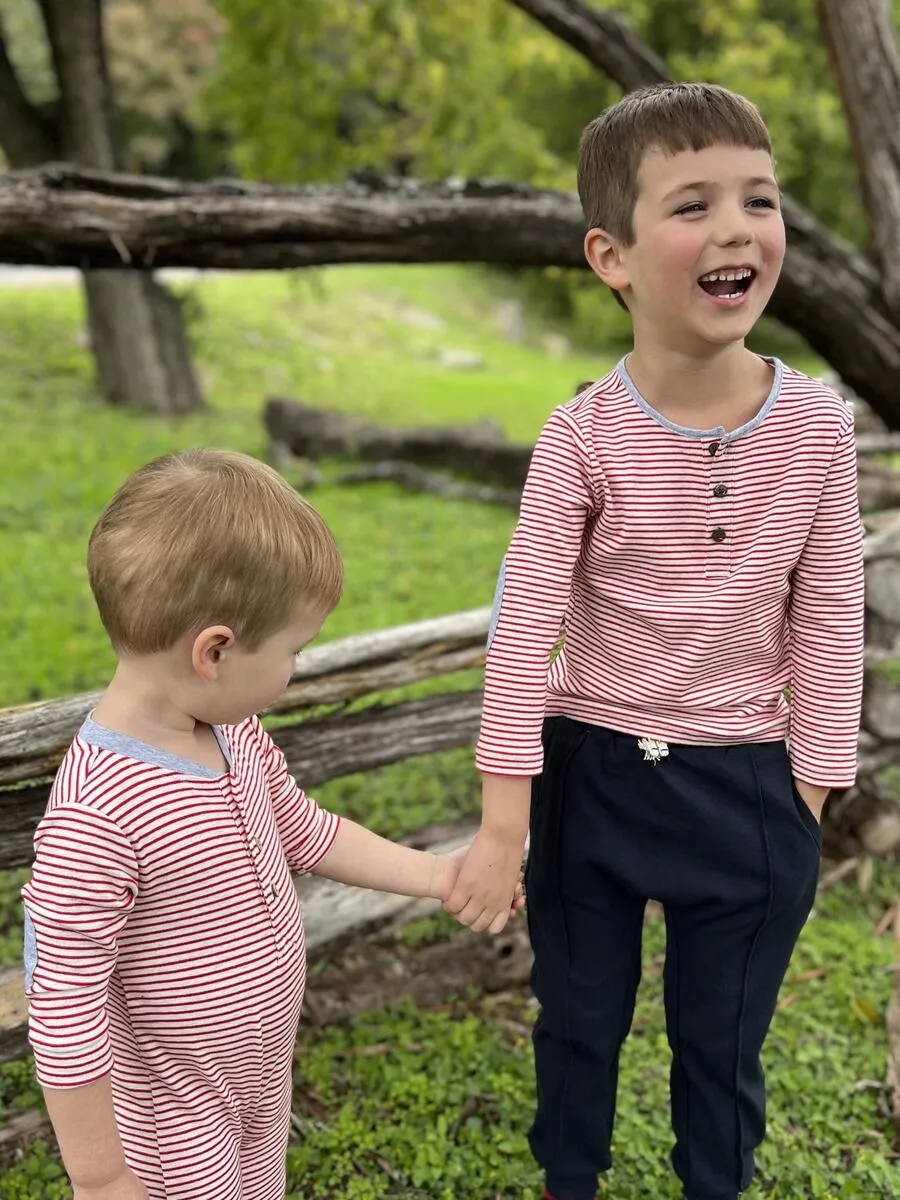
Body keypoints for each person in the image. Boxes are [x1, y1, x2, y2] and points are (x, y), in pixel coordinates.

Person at [444, 82, 865, 1200]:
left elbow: (826, 613)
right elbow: (524, 628)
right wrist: (502, 826)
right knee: (580, 1026)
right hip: (595, 777)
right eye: (693, 206)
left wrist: (810, 794)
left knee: (720, 1048)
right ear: (613, 256)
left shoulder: (818, 424)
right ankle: (566, 1181)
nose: (736, 228)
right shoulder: (581, 437)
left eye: (758, 200)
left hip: (751, 792)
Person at [22, 448, 520, 1200]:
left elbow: (306, 831)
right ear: (214, 651)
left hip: (258, 1066)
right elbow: (62, 1006)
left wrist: (437, 874)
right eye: (294, 650)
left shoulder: (231, 730)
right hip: (172, 1107)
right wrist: (101, 1176)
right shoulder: (100, 808)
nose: (295, 670)